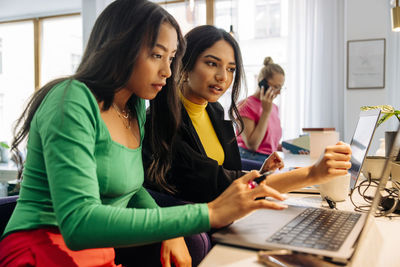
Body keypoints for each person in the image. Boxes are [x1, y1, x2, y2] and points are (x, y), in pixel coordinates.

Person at [0, 2, 288, 267]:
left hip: (98, 251)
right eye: (157, 55)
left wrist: (172, 230)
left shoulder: (133, 107)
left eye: (172, 57)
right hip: (41, 248)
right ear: (120, 48)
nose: (167, 70)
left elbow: (133, 189)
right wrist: (208, 213)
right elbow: (78, 224)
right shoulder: (72, 99)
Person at [143, 25, 352, 205]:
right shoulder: (163, 121)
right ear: (184, 65)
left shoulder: (213, 110)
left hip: (233, 210)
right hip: (203, 225)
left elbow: (229, 174)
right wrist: (312, 174)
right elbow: (220, 184)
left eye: (231, 68)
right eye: (211, 63)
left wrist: (261, 173)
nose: (223, 77)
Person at [236, 57, 284, 162]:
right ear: (262, 82)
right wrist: (266, 112)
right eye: (276, 87)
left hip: (268, 158)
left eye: (280, 88)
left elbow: (268, 144)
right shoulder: (245, 105)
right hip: (250, 158)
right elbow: (252, 145)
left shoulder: (273, 107)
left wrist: (290, 148)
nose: (279, 92)